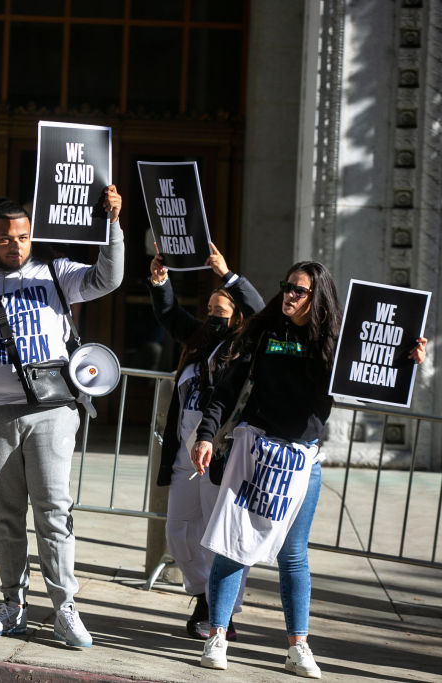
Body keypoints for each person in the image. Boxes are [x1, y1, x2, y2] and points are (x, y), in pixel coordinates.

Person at [189, 261, 427, 677]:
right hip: (254, 451)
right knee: (233, 546)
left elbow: (371, 379)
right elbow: (228, 388)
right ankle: (217, 636)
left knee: (293, 556)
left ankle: (298, 646)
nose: (289, 295)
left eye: (299, 291)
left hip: (302, 462)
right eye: (287, 287)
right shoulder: (265, 332)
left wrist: (407, 362)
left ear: (317, 299)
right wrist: (207, 434)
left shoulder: (334, 343)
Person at [0, 189, 124, 648]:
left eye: (22, 236)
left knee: (54, 511)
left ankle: (64, 608)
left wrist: (113, 224)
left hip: (52, 411)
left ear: (32, 236)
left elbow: (110, 278)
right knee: (4, 514)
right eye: (5, 238)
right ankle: (13, 605)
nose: (15, 245)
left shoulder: (57, 274)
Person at [149, 242, 265, 639]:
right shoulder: (198, 341)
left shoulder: (246, 347)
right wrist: (160, 280)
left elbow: (263, 314)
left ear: (237, 317)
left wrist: (227, 274)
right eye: (210, 310)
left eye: (222, 311)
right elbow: (167, 313)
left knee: (221, 535)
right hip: (185, 451)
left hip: (223, 452)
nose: (214, 317)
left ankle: (221, 611)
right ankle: (204, 592)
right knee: (179, 533)